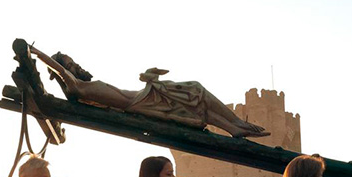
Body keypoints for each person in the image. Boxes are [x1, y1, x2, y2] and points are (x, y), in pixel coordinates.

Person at [28, 45, 268, 138]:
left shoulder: (84, 86)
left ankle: (234, 126)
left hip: (142, 97)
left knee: (193, 104)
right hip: (140, 104)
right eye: (71, 64)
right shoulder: (78, 87)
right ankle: (235, 122)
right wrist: (38, 54)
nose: (76, 66)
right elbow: (60, 71)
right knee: (194, 89)